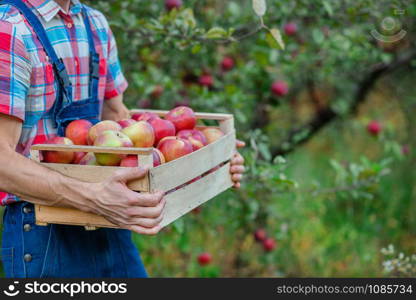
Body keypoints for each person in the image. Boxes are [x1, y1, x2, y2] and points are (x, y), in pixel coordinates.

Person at [0, 0, 245, 278]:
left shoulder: (94, 24)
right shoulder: (9, 29)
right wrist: (93, 197)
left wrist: (208, 158)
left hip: (109, 221)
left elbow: (120, 121)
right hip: (44, 228)